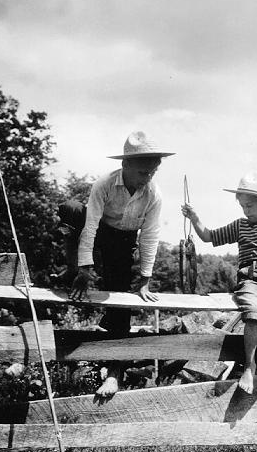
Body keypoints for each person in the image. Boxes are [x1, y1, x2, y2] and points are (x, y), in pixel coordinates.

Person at [59, 130, 175, 396]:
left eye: (152, 173)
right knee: (70, 208)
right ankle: (71, 268)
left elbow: (150, 236)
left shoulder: (153, 195)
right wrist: (84, 269)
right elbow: (89, 226)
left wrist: (145, 280)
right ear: (125, 165)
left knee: (121, 300)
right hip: (99, 227)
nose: (146, 179)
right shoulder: (105, 184)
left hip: (122, 241)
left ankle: (114, 373)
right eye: (142, 173)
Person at [182, 172, 257, 394]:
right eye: (243, 206)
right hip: (250, 279)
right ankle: (249, 366)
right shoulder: (240, 225)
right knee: (253, 312)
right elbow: (209, 237)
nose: (246, 211)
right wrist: (194, 218)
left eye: (250, 206)